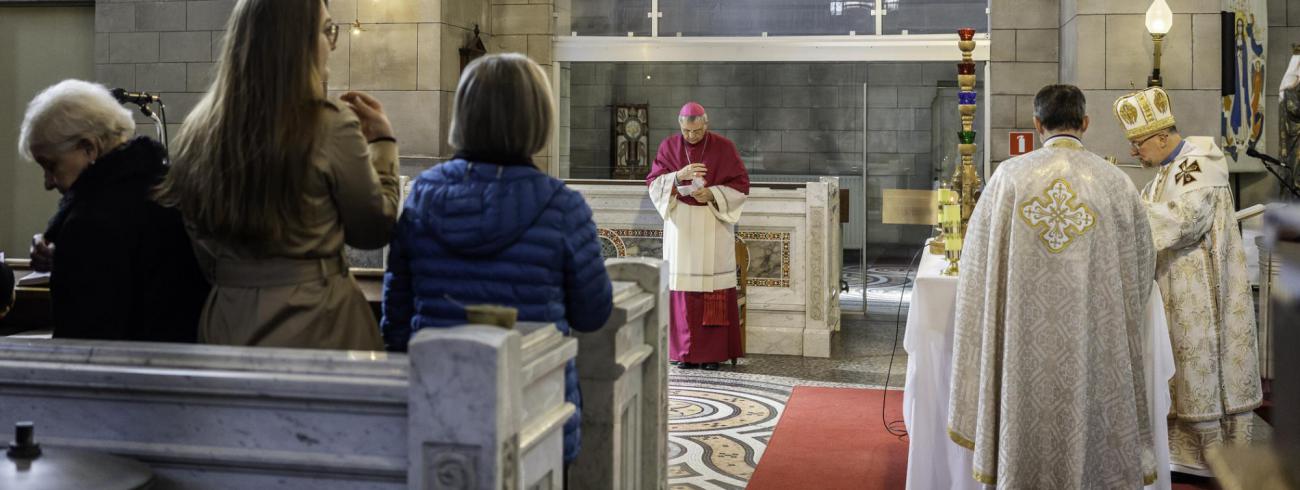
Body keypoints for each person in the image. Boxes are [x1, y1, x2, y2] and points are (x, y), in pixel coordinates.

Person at [381, 53, 613, 467]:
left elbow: (396, 316)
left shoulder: (421, 195)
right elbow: (593, 313)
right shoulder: (562, 207)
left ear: (462, 115)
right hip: (534, 406)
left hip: (440, 403)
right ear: (539, 118)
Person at [156, 0, 399, 350]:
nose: (331, 44)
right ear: (297, 42)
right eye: (327, 30)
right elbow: (374, 228)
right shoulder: (326, 124)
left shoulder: (198, 130)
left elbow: (200, 244)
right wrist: (383, 145)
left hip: (227, 322)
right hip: (318, 321)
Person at [948, 85, 1159, 487]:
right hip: (1093, 343)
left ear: (1037, 123)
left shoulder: (1009, 178)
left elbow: (975, 266)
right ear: (1085, 123)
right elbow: (1141, 266)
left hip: (1021, 348)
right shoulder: (1115, 183)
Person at [1115, 86, 1263, 477]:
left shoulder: (1199, 165)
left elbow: (1183, 220)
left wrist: (1121, 217)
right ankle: (1177, 453)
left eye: (1138, 143)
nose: (1135, 152)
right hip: (1172, 290)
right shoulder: (1164, 172)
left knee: (1197, 369)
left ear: (1162, 137)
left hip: (1201, 295)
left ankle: (1207, 458)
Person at [16, 80, 209, 342]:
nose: (48, 182)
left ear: (89, 148)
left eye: (51, 166)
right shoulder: (169, 189)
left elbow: (81, 345)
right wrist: (60, 256)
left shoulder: (91, 223)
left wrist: (72, 250)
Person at [645, 102, 750, 371]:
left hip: (712, 223)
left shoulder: (724, 147)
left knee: (712, 291)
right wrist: (678, 176)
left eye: (697, 131)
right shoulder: (669, 146)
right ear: (680, 126)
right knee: (682, 291)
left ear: (706, 125)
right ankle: (683, 352)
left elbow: (740, 185)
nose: (691, 136)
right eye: (686, 131)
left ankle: (712, 354)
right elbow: (654, 183)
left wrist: (712, 193)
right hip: (682, 226)